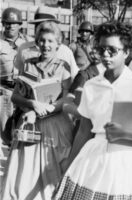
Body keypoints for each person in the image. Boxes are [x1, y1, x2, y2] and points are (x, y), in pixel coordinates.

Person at [54, 21, 132, 200]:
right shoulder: (91, 85)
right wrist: (69, 165)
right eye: (102, 49)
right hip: (93, 160)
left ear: (126, 52)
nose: (106, 55)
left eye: (112, 50)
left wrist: (124, 132)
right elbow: (83, 130)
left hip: (126, 162)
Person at [1, 21, 73, 200]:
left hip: (56, 125)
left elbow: (66, 98)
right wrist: (32, 104)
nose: (45, 45)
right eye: (41, 40)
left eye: (50, 41)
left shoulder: (64, 67)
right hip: (30, 124)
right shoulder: (28, 65)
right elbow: (15, 96)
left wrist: (45, 109)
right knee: (26, 172)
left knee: (52, 171)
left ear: (58, 43)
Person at [14, 6, 79, 80]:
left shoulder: (65, 51)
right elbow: (20, 77)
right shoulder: (24, 48)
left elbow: (74, 76)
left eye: (45, 24)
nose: (41, 28)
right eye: (37, 25)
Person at [0, 7, 33, 138]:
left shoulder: (29, 42)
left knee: (24, 131)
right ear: (3, 24)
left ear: (20, 25)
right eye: (7, 23)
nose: (10, 26)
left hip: (24, 91)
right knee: (5, 132)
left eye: (14, 23)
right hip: (4, 91)